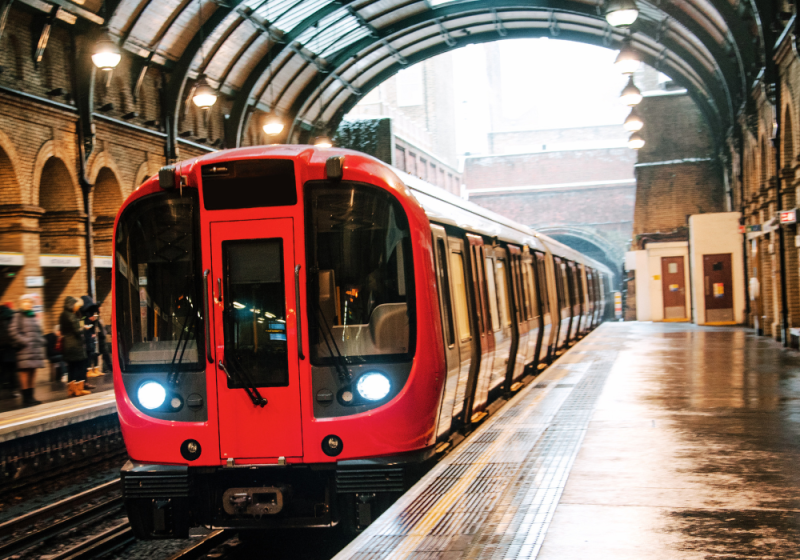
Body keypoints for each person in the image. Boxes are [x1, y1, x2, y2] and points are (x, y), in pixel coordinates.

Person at [8, 294, 46, 407]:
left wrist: (41, 341)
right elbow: (13, 331)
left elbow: (38, 331)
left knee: (32, 373)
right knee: (24, 374)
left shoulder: (32, 315)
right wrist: (24, 341)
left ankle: (31, 397)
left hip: (34, 350)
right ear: (21, 303)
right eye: (25, 302)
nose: (28, 304)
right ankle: (26, 399)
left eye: (30, 302)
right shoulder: (18, 315)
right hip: (24, 350)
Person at [60, 296, 90, 397]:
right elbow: (77, 331)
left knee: (71, 369)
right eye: (76, 306)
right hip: (75, 345)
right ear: (72, 305)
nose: (77, 308)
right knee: (79, 367)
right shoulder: (71, 316)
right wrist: (83, 328)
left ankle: (71, 390)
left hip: (67, 345)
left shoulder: (62, 315)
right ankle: (78, 389)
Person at [0, 302, 19, 395]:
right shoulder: (11, 316)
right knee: (12, 370)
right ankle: (13, 390)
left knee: (2, 371)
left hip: (1, 348)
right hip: (10, 348)